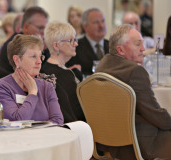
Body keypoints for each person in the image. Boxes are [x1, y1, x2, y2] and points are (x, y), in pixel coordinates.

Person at [95, 24, 171, 160]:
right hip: (139, 143)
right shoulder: (135, 71)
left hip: (108, 142)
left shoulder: (101, 67)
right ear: (121, 50)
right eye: (138, 45)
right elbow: (154, 113)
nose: (143, 49)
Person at [0, 34, 64, 124]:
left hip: (44, 137)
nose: (39, 61)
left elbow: (58, 121)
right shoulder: (0, 87)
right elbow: (17, 121)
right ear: (17, 60)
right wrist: (32, 93)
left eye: (40, 56)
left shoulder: (47, 86)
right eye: (33, 56)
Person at [41, 21, 85, 123]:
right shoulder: (65, 75)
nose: (76, 44)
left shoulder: (43, 69)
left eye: (76, 39)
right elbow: (78, 111)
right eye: (71, 40)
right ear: (56, 45)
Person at [0, 6, 49, 73]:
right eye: (40, 28)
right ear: (26, 27)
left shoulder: (36, 44)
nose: (43, 33)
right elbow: (39, 74)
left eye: (45, 29)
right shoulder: (15, 45)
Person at [66, 8, 109, 76]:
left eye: (103, 21)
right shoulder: (75, 48)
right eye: (96, 22)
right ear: (85, 27)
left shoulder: (113, 46)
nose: (101, 26)